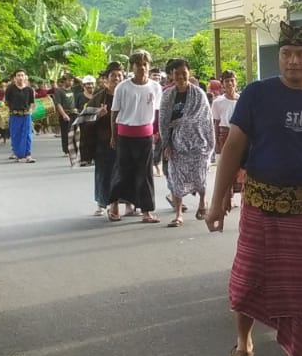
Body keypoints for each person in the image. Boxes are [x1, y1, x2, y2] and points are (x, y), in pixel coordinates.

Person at [207, 22, 302, 356]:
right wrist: (217, 201)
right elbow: (233, 148)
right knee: (249, 278)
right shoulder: (257, 94)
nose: (293, 60)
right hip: (261, 203)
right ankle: (243, 345)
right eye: (286, 54)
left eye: (301, 54)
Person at [107, 50, 164, 223]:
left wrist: (156, 132)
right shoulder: (123, 87)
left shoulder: (155, 87)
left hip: (145, 136)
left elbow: (157, 112)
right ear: (132, 67)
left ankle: (146, 211)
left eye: (145, 64)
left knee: (145, 174)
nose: (142, 67)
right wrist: (113, 135)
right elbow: (114, 112)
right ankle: (113, 205)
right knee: (122, 172)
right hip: (125, 134)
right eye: (138, 64)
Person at [158, 59, 215, 226]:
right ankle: (178, 214)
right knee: (176, 179)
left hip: (198, 143)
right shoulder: (167, 95)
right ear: (171, 75)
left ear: (189, 73)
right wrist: (166, 144)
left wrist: (185, 123)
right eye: (177, 73)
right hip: (176, 144)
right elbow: (163, 121)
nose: (181, 76)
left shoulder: (199, 94)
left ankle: (202, 201)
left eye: (184, 73)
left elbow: (205, 119)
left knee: (200, 177)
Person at [81, 65, 121, 215]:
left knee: (122, 172)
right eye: (113, 75)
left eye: (119, 75)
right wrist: (97, 115)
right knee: (104, 172)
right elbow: (84, 118)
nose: (116, 78)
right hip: (103, 140)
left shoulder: (126, 94)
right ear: (106, 79)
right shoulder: (99, 97)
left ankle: (125, 203)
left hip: (123, 138)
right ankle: (102, 202)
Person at [3, 69, 37, 162]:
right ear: (15, 78)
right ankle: (18, 154)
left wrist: (30, 110)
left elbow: (32, 103)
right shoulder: (10, 89)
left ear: (25, 77)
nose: (20, 77)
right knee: (15, 135)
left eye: (22, 75)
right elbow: (6, 102)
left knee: (27, 135)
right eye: (18, 75)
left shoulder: (29, 90)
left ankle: (28, 155)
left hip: (26, 115)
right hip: (14, 115)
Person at [53, 72, 85, 159]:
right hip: (65, 114)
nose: (71, 82)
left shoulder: (74, 89)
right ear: (64, 81)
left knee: (75, 132)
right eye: (69, 80)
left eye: (72, 81)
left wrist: (74, 77)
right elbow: (58, 104)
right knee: (65, 133)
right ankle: (66, 150)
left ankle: (75, 148)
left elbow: (83, 83)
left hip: (74, 113)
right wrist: (63, 114)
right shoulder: (59, 91)